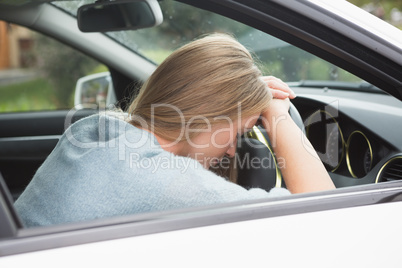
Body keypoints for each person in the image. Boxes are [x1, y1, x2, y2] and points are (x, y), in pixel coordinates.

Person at [14, 34, 335, 227]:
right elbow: (325, 216)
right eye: (238, 134)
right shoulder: (166, 181)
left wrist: (243, 99)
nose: (231, 152)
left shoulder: (95, 127)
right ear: (208, 117)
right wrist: (276, 114)